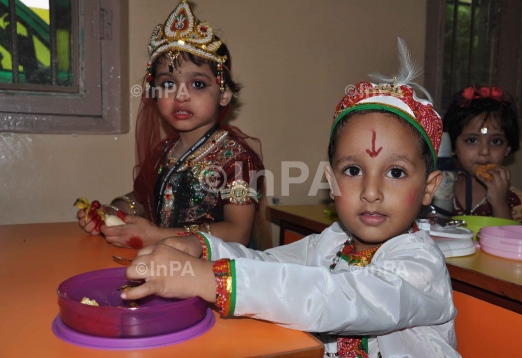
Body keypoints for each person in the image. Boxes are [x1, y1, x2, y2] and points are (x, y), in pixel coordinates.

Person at [122, 40, 460, 357]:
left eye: (396, 173)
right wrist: (201, 247)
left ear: (430, 187)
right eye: (354, 171)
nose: (371, 192)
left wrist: (209, 279)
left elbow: (336, 299)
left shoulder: (420, 267)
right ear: (331, 182)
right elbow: (267, 264)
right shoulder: (333, 243)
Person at [76, 0, 271, 249]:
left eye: (197, 84)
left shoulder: (238, 159)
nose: (180, 95)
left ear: (224, 94)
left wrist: (156, 235)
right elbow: (143, 199)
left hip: (218, 276)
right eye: (168, 84)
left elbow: (238, 233)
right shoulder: (165, 153)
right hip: (166, 265)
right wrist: (112, 212)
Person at [443, 87, 522, 222]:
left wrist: (499, 203)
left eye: (496, 141)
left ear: (508, 148)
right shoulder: (438, 188)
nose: (485, 151)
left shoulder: (515, 200)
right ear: (452, 146)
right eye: (472, 140)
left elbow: (508, 240)